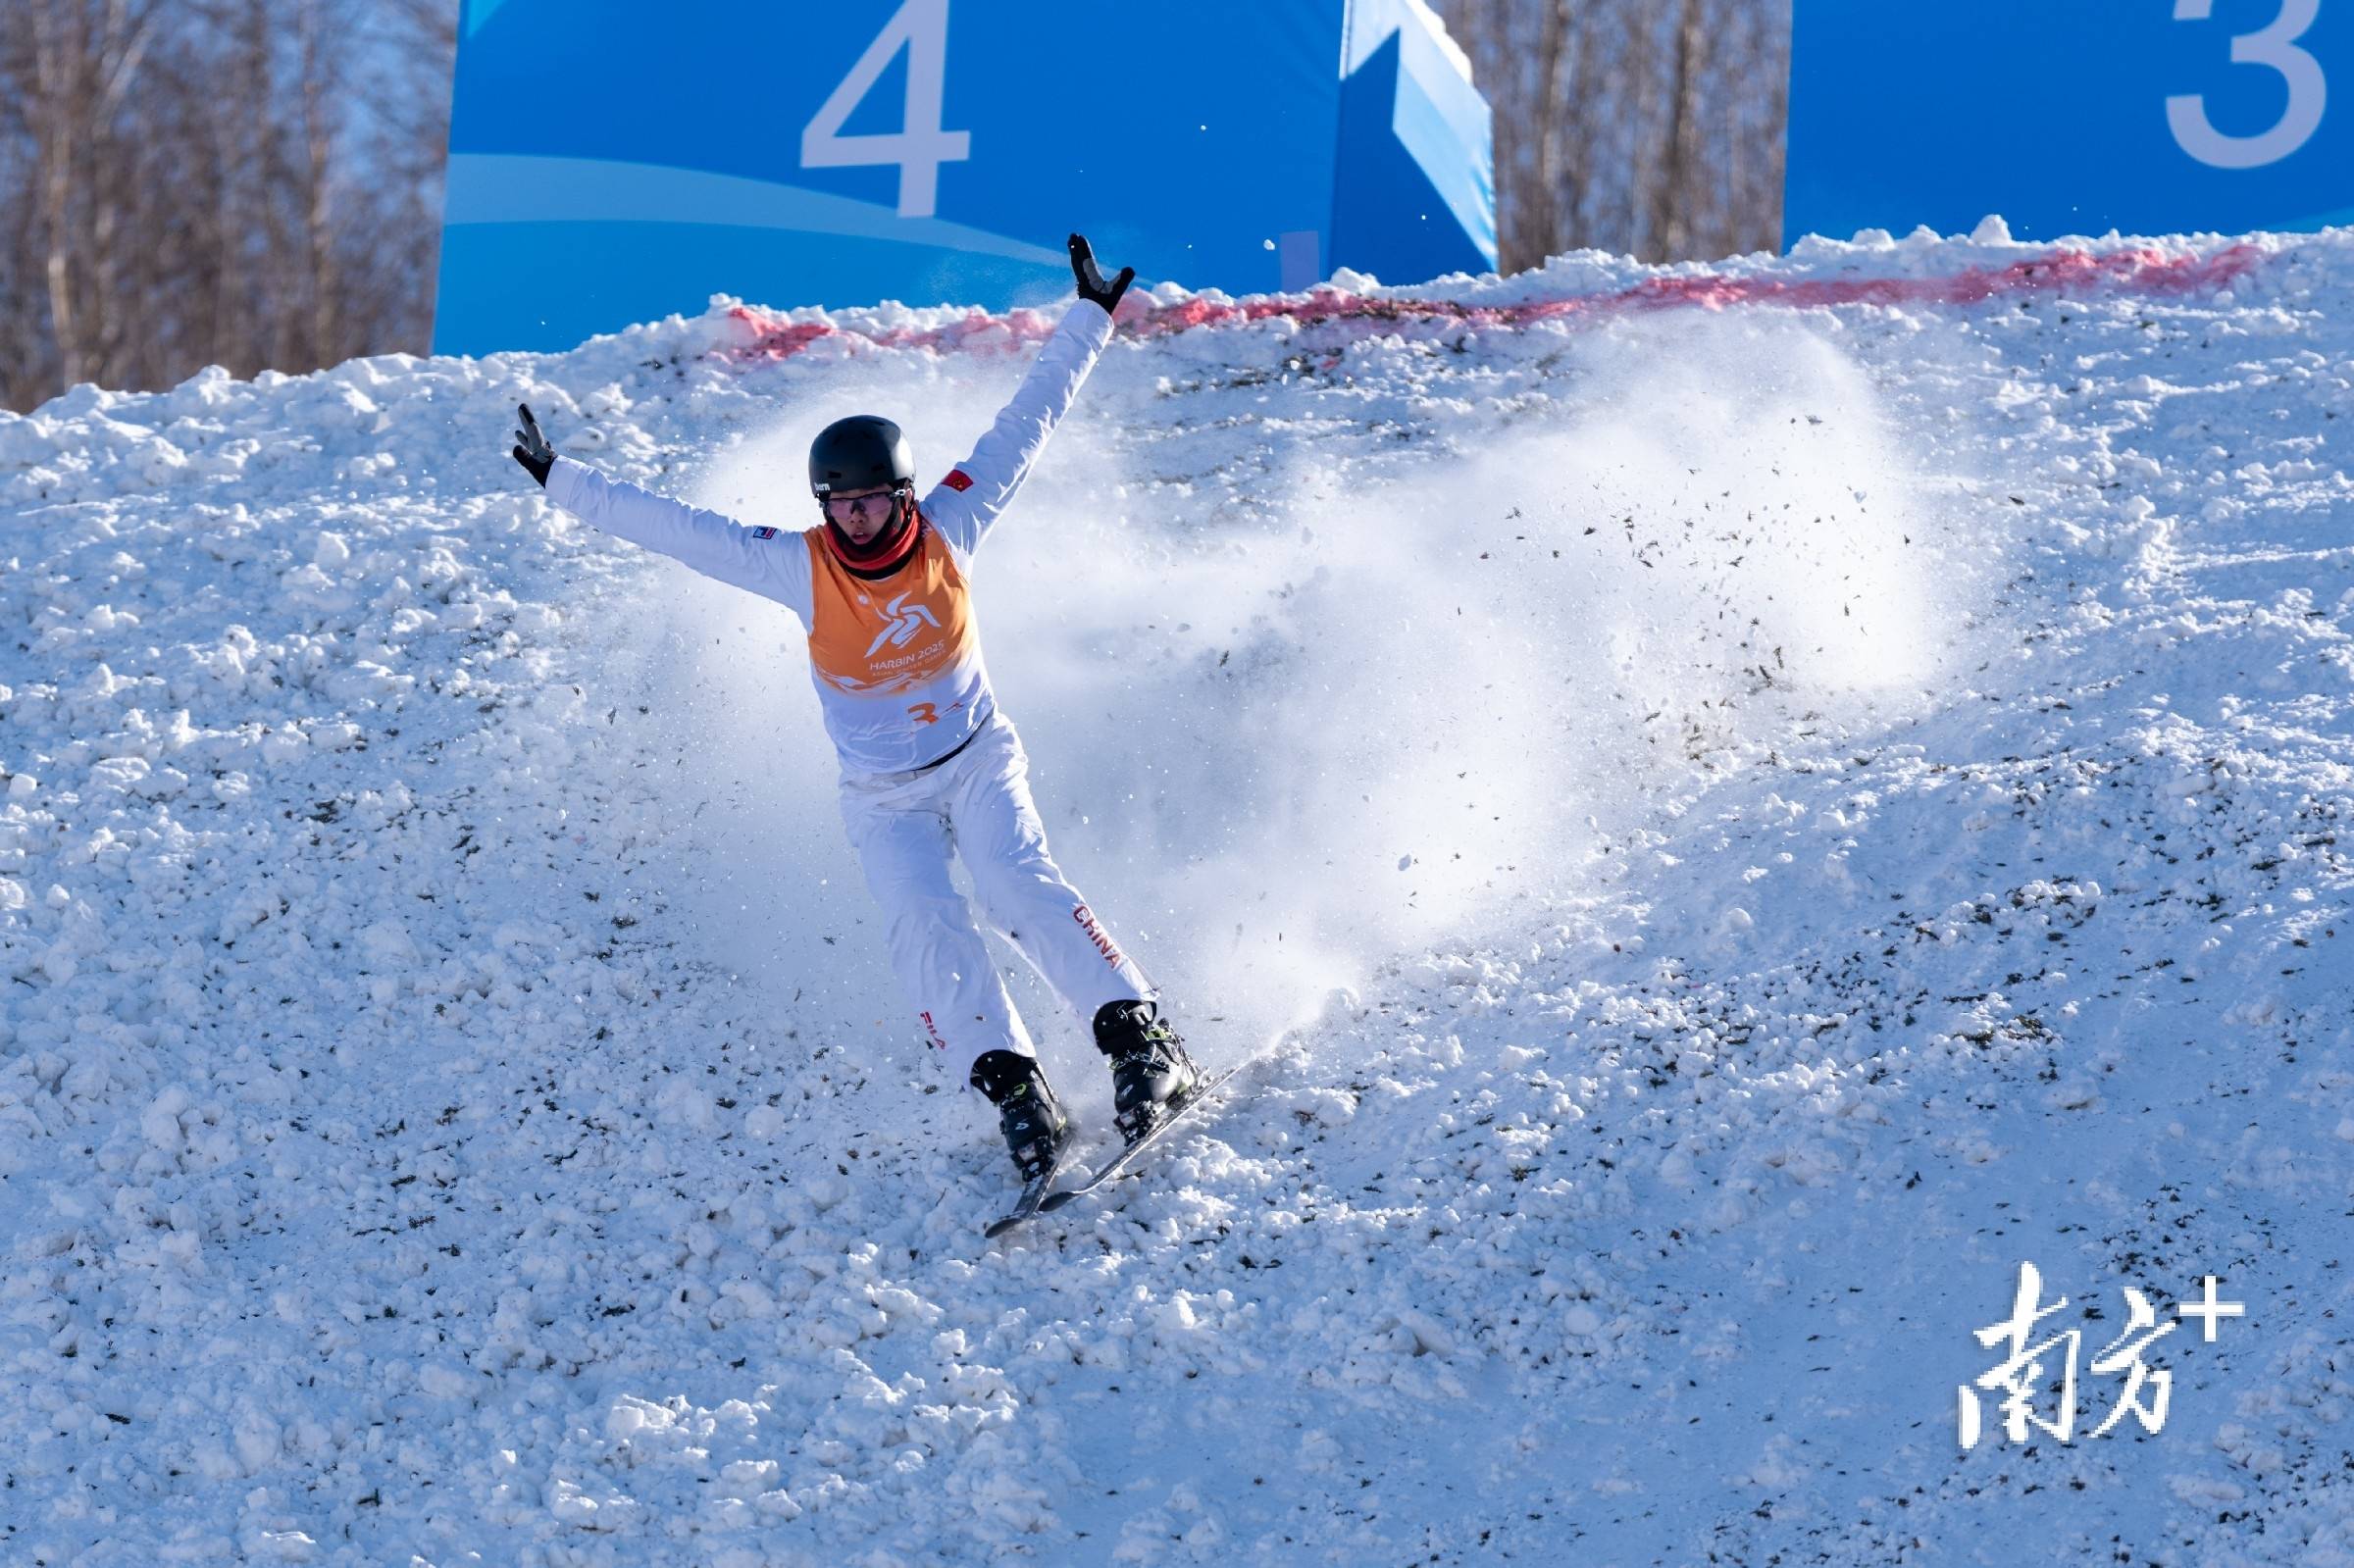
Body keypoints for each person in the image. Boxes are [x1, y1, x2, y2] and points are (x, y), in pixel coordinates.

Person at [506, 233, 1197, 1186]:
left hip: (976, 759)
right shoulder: (798, 565)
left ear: (905, 494)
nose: (856, 519)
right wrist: (563, 481)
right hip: (881, 796)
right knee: (924, 928)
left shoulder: (951, 526)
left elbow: (1026, 421)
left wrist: (1088, 315)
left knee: (1014, 884)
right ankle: (1019, 1095)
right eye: (841, 504)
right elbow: (682, 532)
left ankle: (1142, 1042)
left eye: (872, 501)